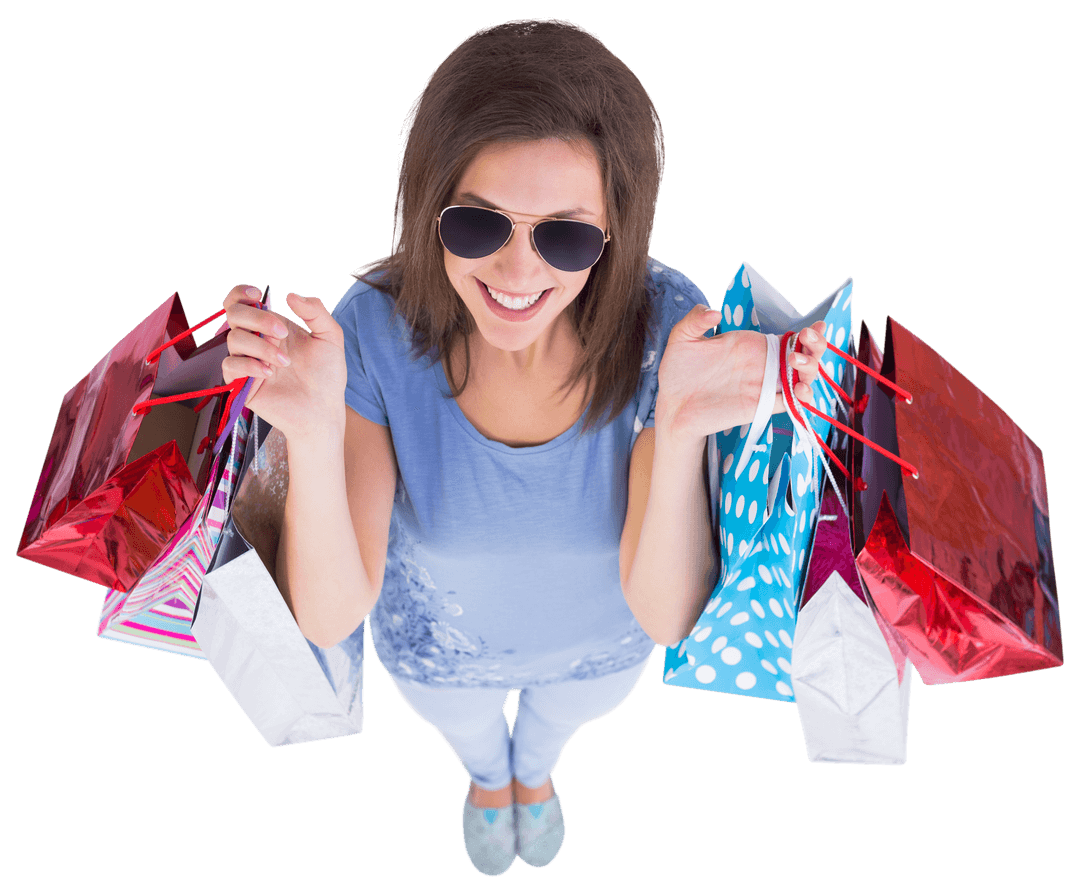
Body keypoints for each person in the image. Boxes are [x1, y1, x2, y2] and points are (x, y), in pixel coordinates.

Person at [219, 19, 827, 877]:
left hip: (601, 655)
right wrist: (313, 433)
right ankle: (484, 776)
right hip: (437, 661)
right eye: (478, 225)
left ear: (614, 235)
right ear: (432, 209)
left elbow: (666, 615)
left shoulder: (664, 324)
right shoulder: (373, 329)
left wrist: (685, 422)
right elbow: (327, 615)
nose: (515, 273)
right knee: (471, 738)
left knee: (553, 731)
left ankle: (534, 775)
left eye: (565, 236)